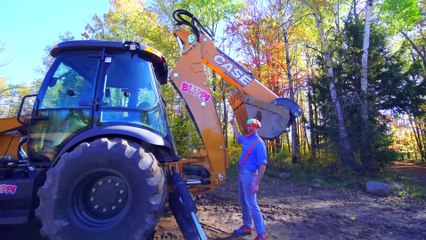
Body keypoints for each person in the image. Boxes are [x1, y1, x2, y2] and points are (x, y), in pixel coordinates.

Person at [230, 118, 268, 240]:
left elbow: (262, 165)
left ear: (257, 128)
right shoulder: (246, 138)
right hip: (241, 173)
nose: (251, 128)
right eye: (249, 126)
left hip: (250, 175)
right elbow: (237, 138)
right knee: (243, 200)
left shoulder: (259, 143)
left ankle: (261, 234)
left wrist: (257, 183)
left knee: (252, 204)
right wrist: (233, 125)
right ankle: (247, 226)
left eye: (254, 126)